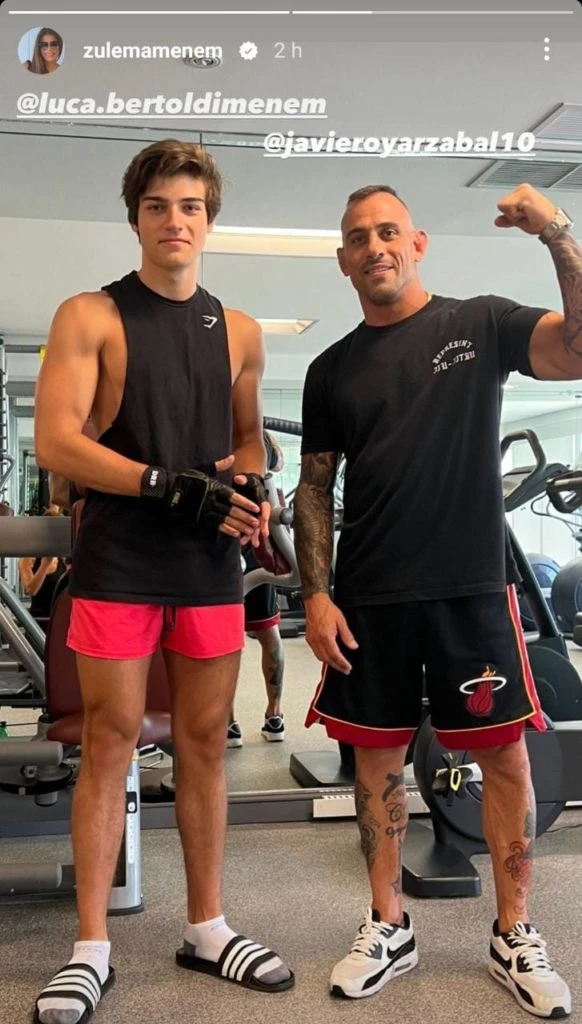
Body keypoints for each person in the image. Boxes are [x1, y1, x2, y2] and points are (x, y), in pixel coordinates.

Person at [293, 182, 578, 1017]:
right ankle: (388, 923)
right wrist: (316, 594)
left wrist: (557, 233)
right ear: (343, 260)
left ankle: (514, 931)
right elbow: (314, 488)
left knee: (505, 759)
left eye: (388, 231)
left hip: (470, 591)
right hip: (370, 597)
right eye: (358, 237)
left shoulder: (480, 323)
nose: (374, 246)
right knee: (375, 763)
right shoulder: (329, 369)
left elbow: (579, 348)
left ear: (417, 243)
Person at [33, 139, 294, 1024]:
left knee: (206, 744)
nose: (174, 221)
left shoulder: (242, 331)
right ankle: (90, 948)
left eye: (190, 207)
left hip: (209, 571)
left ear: (209, 220)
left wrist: (250, 477)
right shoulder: (91, 315)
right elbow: (57, 441)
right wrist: (165, 484)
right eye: (157, 207)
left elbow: (250, 436)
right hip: (119, 566)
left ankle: (207, 927)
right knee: (110, 741)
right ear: (136, 219)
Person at [228, 431, 286, 746]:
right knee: (258, 633)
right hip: (241, 542)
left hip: (248, 542)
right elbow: (276, 462)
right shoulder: (254, 438)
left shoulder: (248, 434)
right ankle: (271, 717)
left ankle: (232, 722)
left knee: (241, 635)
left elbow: (277, 461)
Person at [19, 505, 67, 631]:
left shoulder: (61, 558)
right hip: (37, 623)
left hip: (57, 621)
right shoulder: (29, 558)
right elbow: (30, 590)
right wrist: (44, 566)